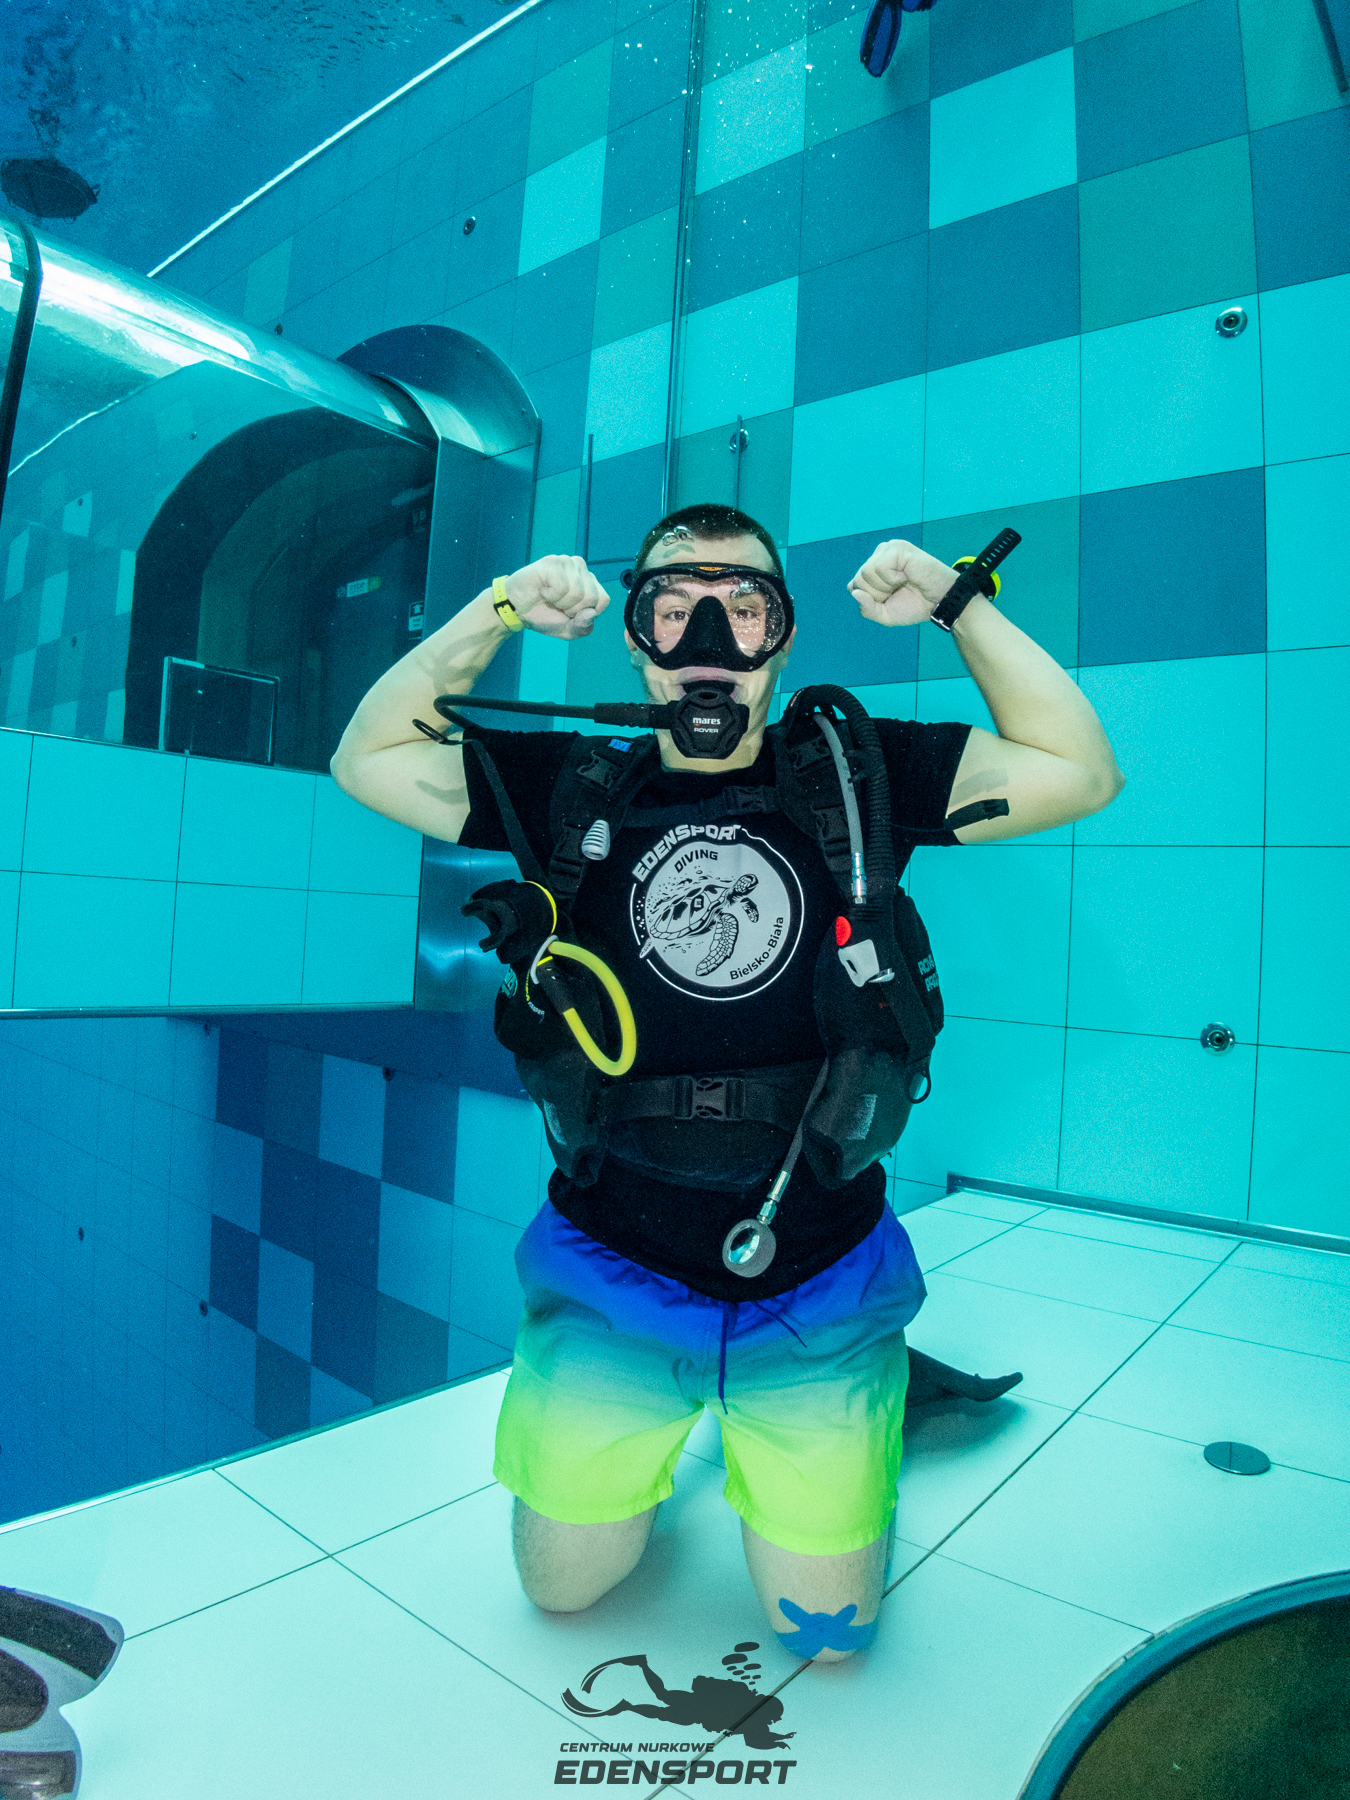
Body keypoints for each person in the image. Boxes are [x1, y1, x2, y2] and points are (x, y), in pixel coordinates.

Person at [331, 504, 1124, 1663]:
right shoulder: (572, 787)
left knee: (829, 1639)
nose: (709, 639)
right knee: (563, 1594)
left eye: (744, 608)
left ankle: (874, 1391)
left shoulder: (855, 775)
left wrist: (959, 606)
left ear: (783, 638)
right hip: (611, 1268)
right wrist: (496, 610)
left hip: (819, 1273)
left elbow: (1079, 770)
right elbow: (367, 757)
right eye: (674, 608)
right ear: (636, 641)